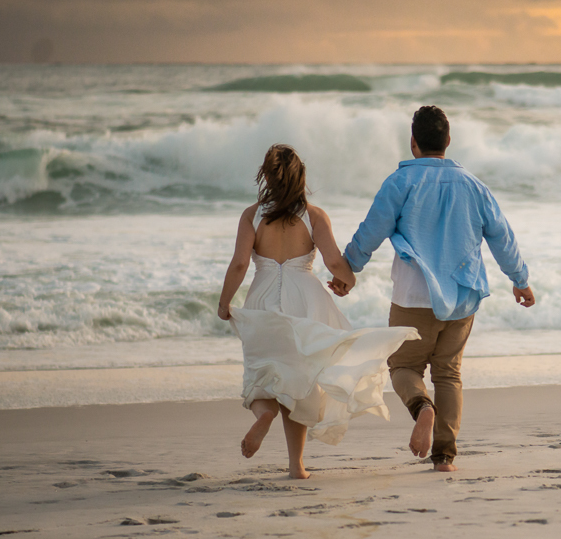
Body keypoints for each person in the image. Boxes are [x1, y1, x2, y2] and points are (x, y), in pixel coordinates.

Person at [331, 106, 534, 473]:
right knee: (448, 373)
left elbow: (371, 230)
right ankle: (444, 458)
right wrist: (519, 279)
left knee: (402, 365)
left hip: (413, 295)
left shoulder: (400, 182)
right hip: (463, 296)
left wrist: (349, 268)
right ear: (448, 142)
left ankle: (422, 408)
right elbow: (502, 236)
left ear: (413, 143)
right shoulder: (473, 185)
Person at [217, 144, 418, 479]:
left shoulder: (252, 215)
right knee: (299, 383)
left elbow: (239, 264)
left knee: (261, 374)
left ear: (266, 176)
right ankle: (296, 466)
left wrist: (225, 303)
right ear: (301, 178)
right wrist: (347, 281)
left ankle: (263, 415)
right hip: (305, 301)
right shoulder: (314, 216)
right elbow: (335, 262)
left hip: (262, 299)